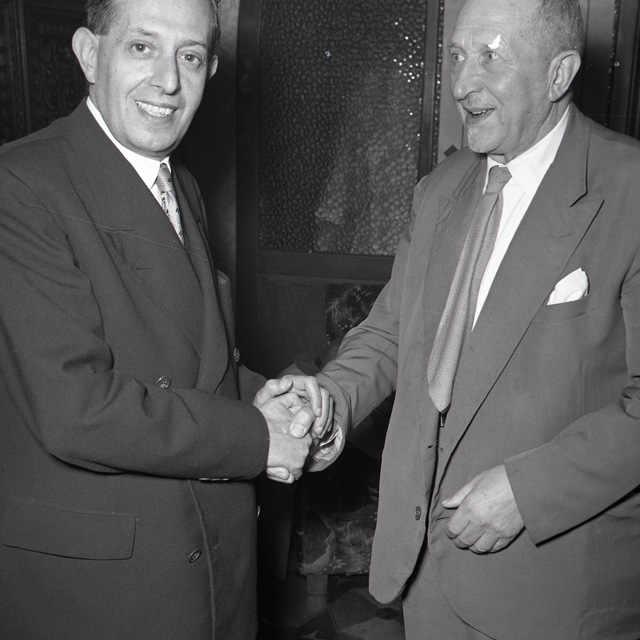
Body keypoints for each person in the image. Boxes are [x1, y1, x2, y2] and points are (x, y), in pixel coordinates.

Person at [0, 0, 330, 638]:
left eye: (191, 56)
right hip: (105, 594)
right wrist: (259, 437)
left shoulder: (181, 186)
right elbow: (76, 410)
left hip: (210, 570)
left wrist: (270, 399)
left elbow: (191, 361)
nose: (169, 81)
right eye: (142, 47)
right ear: (89, 54)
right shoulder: (21, 186)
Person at [313, 0, 640, 637]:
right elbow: (393, 333)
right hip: (426, 580)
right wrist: (329, 399)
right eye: (458, 56)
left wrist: (530, 491)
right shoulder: (438, 190)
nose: (462, 83)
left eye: (490, 57)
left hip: (552, 592)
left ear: (559, 73)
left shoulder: (628, 189)